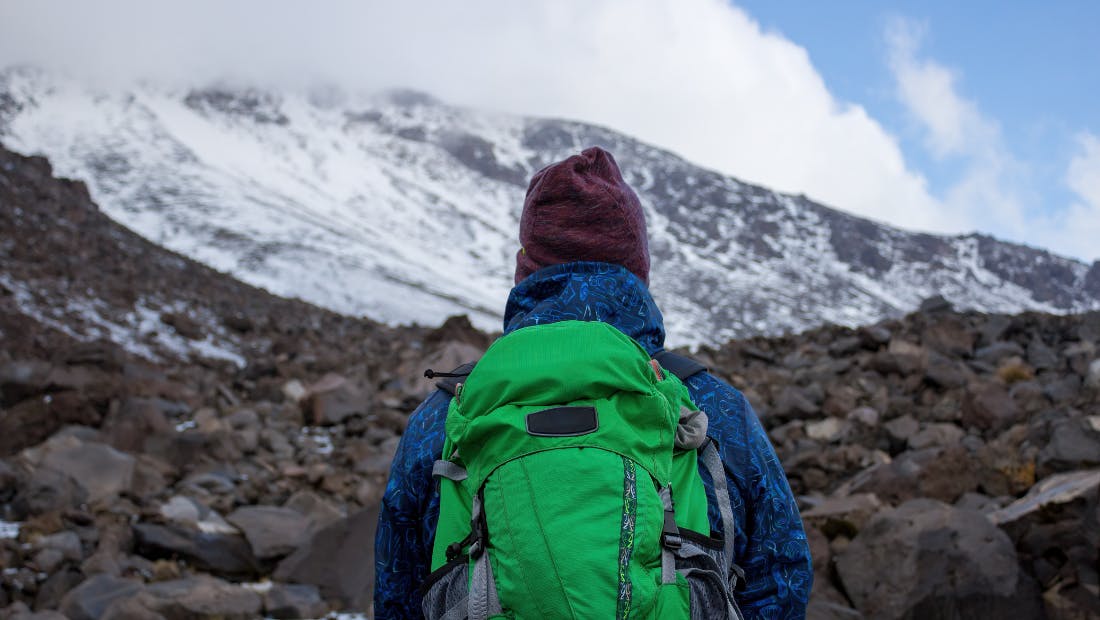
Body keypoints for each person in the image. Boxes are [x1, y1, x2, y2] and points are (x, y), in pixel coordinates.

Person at [374, 146, 812, 618]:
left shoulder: (448, 415)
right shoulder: (710, 405)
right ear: (637, 268)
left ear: (526, 269)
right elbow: (782, 574)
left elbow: (397, 589)